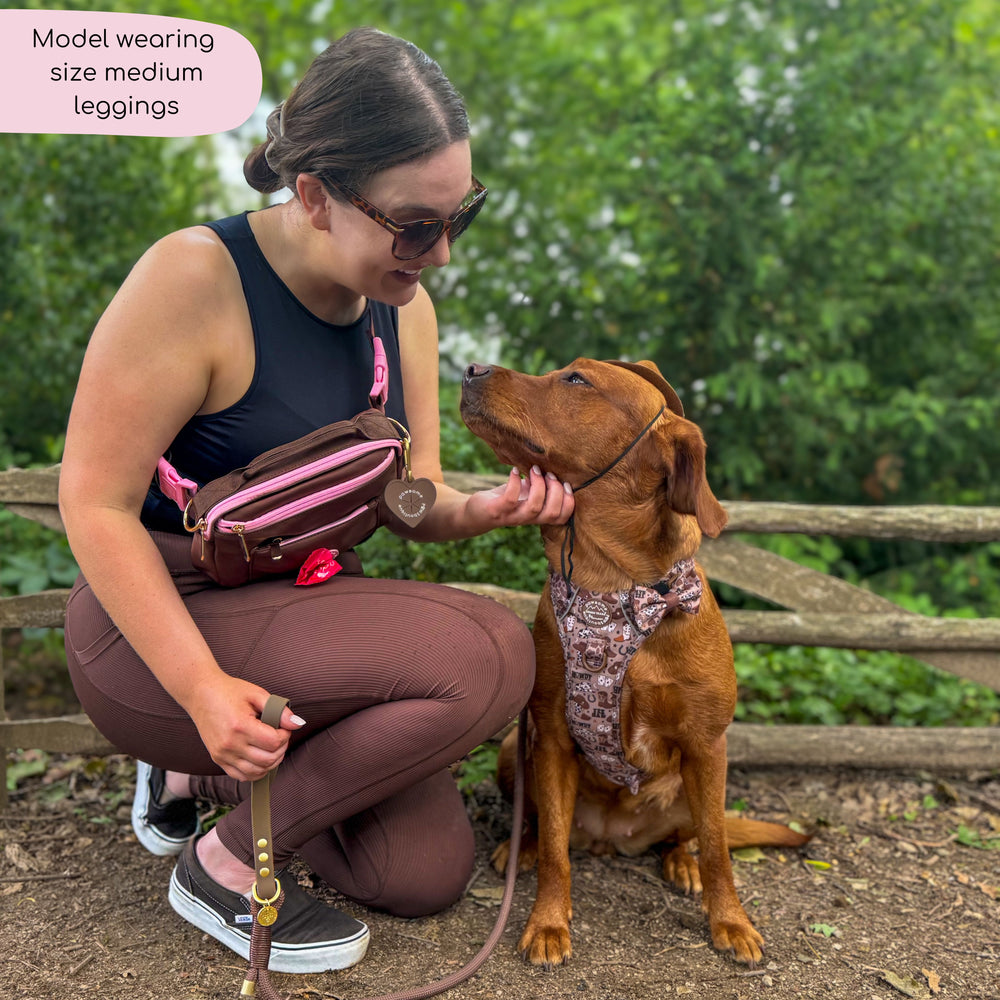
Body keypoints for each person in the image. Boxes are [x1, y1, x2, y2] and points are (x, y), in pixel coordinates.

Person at [59, 26, 574, 975]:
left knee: (422, 874)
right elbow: (90, 503)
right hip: (160, 630)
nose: (443, 253)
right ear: (313, 196)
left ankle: (226, 779)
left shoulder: (403, 304)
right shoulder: (194, 280)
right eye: (418, 225)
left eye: (463, 216)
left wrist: (474, 510)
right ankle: (219, 861)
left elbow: (407, 494)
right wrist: (203, 692)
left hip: (305, 619)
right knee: (495, 652)